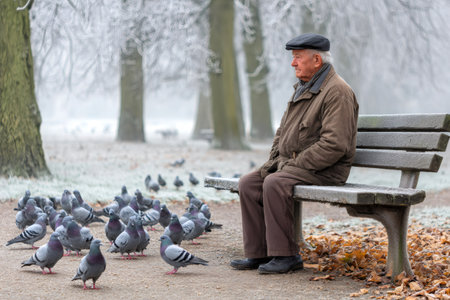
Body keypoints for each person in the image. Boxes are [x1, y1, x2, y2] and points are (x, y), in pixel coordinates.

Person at [230, 33, 359, 274]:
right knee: (248, 183)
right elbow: (282, 132)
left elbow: (335, 144)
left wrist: (293, 164)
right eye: (293, 58)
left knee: (275, 183)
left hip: (326, 169)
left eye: (298, 58)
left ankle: (286, 255)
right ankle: (259, 253)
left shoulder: (337, 92)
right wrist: (274, 161)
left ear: (317, 60)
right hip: (293, 165)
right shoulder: (304, 88)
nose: (293, 63)